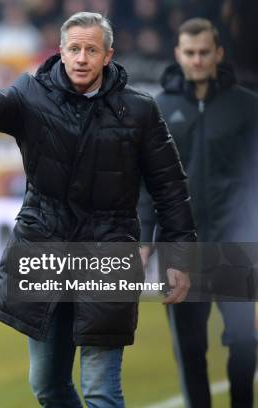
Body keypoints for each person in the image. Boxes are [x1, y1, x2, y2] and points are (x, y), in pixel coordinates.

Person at [0, 11, 196, 408]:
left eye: (91, 50)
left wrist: (179, 255)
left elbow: (170, 186)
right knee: (47, 384)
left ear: (108, 55)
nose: (82, 58)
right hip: (44, 247)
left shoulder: (140, 110)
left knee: (100, 386)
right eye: (75, 49)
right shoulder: (30, 94)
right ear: (61, 52)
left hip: (110, 249)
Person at [139, 18, 257, 408]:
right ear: (178, 55)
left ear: (219, 53)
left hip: (236, 247)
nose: (198, 59)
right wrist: (143, 240)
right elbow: (147, 182)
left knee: (244, 343)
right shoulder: (158, 108)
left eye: (205, 52)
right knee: (189, 350)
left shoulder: (247, 107)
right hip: (180, 250)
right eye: (190, 53)